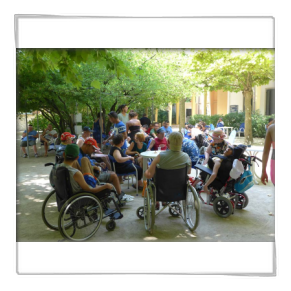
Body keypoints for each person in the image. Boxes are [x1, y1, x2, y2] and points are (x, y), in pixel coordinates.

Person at [145, 132, 192, 210]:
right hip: (179, 190)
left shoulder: (161, 156)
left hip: (162, 190)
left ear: (168, 142)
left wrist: (146, 170)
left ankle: (157, 201)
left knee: (151, 180)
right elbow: (189, 172)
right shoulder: (186, 156)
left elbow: (149, 175)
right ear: (182, 143)